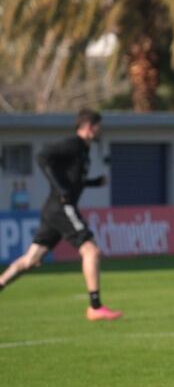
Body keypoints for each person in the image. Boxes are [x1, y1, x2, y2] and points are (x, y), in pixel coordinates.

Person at [0, 109, 122, 321]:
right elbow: (42, 157)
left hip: (53, 209)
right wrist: (60, 189)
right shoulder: (74, 144)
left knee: (31, 260)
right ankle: (95, 306)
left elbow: (73, 181)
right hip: (61, 207)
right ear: (88, 127)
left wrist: (93, 183)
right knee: (91, 250)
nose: (100, 130)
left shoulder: (83, 150)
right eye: (98, 126)